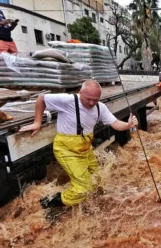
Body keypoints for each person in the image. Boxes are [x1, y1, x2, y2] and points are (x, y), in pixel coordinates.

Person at [19, 80, 138, 208]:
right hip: (66, 150)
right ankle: (48, 203)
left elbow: (115, 123)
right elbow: (41, 99)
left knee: (98, 179)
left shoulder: (100, 107)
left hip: (85, 149)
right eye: (88, 99)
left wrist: (128, 125)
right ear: (80, 93)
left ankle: (89, 203)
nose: (92, 103)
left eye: (95, 99)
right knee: (83, 187)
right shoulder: (68, 101)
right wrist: (37, 122)